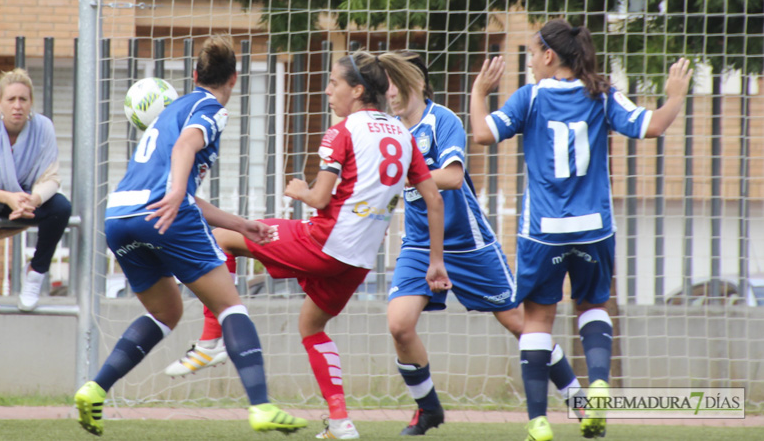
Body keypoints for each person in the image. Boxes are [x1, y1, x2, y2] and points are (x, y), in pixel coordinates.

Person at [165, 50, 448, 440]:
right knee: (311, 325)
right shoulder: (402, 134)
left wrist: (300, 189)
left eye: (334, 83)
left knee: (225, 236)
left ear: (358, 89)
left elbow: (319, 199)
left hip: (323, 244)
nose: (328, 90)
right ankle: (340, 422)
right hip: (359, 259)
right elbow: (434, 200)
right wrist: (436, 262)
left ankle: (213, 338)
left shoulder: (342, 131)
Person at [470, 19, 693, 441]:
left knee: (537, 320)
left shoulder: (530, 97)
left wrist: (479, 93)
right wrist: (675, 96)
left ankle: (538, 421)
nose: (531, 62)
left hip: (543, 230)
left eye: (533, 54)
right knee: (593, 305)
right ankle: (600, 386)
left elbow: (483, 134)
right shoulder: (601, 94)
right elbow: (654, 126)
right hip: (594, 228)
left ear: (549, 56)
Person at [73, 36, 308, 436]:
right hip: (163, 212)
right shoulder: (210, 108)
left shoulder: (170, 111)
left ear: (195, 74)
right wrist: (177, 191)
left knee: (166, 312)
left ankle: (94, 389)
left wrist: (240, 224)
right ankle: (262, 406)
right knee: (231, 307)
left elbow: (176, 176)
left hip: (119, 216)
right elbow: (186, 148)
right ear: (234, 79)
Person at [385, 52, 582, 436]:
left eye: (394, 81)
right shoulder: (390, 130)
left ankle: (579, 401)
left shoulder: (442, 120)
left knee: (520, 325)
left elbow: (453, 177)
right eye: (384, 82)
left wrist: (402, 176)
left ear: (418, 83)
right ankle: (429, 410)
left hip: (469, 245)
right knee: (399, 326)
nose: (388, 91)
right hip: (418, 246)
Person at [0, 68, 72, 311]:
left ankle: (35, 274)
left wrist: (32, 200)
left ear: (30, 104)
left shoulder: (44, 127)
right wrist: (7, 197)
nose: (17, 106)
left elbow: (51, 178)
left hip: (26, 199)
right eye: (11, 99)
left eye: (23, 99)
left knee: (61, 207)